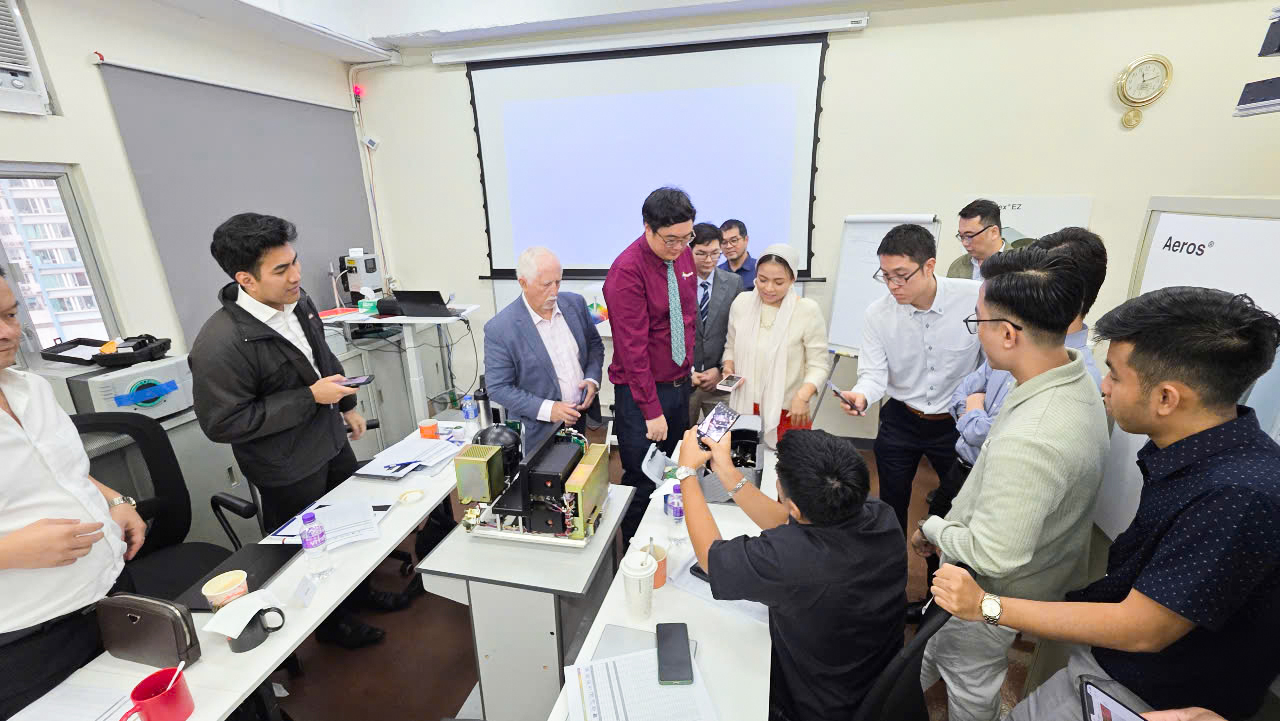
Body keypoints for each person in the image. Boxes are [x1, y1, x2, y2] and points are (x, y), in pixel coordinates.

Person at [931, 287, 1280, 721]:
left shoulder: (1235, 495)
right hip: (1112, 664)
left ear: (1166, 398)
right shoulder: (1202, 452)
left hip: (1148, 695)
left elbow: (1144, 629)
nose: (1104, 386)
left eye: (1115, 375)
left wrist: (986, 605)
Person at [189, 212, 406, 649]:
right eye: (281, 269)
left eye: (295, 262)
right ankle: (331, 626)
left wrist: (346, 404)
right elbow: (223, 422)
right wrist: (311, 398)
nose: (296, 276)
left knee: (348, 528)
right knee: (310, 552)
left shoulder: (299, 302)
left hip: (329, 442)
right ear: (246, 280)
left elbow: (320, 357)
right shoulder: (221, 343)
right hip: (286, 467)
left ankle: (360, 594)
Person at [913, 248, 1109, 721]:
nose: (976, 332)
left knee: (967, 680)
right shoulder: (1069, 374)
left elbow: (993, 555)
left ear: (1007, 333)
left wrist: (933, 527)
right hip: (1024, 568)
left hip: (990, 591)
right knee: (930, 655)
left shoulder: (1033, 437)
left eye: (977, 321)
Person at [675, 427, 905, 721]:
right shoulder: (881, 515)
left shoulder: (793, 562)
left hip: (814, 702)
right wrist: (727, 472)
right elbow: (787, 520)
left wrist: (686, 473)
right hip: (863, 678)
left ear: (794, 507)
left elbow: (710, 556)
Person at [0, 264, 148, 719]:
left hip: (110, 591)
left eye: (10, 314)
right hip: (30, 635)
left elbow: (62, 471)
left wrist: (114, 499)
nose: (8, 333)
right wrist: (7, 551)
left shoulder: (31, 388)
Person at [932, 226, 1108, 520]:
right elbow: (965, 392)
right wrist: (974, 411)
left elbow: (992, 438)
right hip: (962, 472)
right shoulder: (1014, 346)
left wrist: (974, 410)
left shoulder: (1076, 380)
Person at [839, 224, 982, 539]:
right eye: (885, 275)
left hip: (956, 422)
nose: (892, 285)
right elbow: (873, 374)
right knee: (890, 504)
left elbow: (990, 362)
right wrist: (862, 395)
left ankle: (940, 567)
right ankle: (892, 565)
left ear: (929, 266)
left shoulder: (973, 298)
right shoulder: (878, 315)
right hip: (902, 419)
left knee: (959, 505)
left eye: (901, 275)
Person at [604, 188, 698, 544]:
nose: (680, 247)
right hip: (642, 394)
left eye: (686, 237)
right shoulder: (627, 272)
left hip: (679, 385)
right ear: (647, 227)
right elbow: (633, 351)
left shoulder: (682, 255)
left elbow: (686, 318)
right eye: (671, 239)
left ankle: (668, 544)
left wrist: (690, 365)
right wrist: (651, 410)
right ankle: (635, 554)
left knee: (674, 471)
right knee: (643, 480)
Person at [484, 247, 604, 453]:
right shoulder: (501, 328)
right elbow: (498, 387)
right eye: (547, 284)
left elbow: (594, 345)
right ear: (523, 283)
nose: (554, 291)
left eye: (558, 282)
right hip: (538, 431)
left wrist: (592, 380)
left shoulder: (575, 304)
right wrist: (549, 410)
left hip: (579, 419)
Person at [722, 243, 829, 448]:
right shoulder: (742, 303)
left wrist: (803, 396)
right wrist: (728, 366)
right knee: (744, 462)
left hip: (788, 410)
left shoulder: (806, 310)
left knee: (789, 466)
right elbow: (731, 346)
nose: (768, 288)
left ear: (792, 279)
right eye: (762, 280)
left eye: (778, 282)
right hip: (744, 408)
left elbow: (819, 365)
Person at [688, 223, 742, 425]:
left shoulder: (734, 282)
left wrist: (720, 369)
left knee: (722, 435)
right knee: (682, 437)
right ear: (688, 251)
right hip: (685, 384)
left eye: (715, 253)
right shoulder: (675, 282)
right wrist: (688, 372)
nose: (709, 260)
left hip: (720, 385)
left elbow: (738, 333)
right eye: (701, 254)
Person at [946, 199, 1031, 280]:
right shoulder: (957, 266)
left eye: (969, 236)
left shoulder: (1022, 266)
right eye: (961, 236)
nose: (964, 243)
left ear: (994, 232)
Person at [718, 218, 757, 290]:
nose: (728, 246)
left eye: (733, 240)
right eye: (724, 242)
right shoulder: (717, 273)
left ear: (746, 240)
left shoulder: (759, 269)